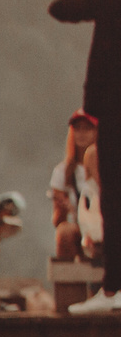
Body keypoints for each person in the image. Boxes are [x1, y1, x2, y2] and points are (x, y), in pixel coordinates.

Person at [51, 0, 121, 312]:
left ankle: (113, 290)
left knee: (115, 199)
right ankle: (113, 289)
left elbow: (60, 9)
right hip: (111, 114)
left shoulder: (111, 2)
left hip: (113, 114)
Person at [49, 112, 103, 265]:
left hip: (106, 228)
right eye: (77, 128)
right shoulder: (63, 172)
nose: (81, 134)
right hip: (81, 230)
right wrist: (63, 208)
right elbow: (58, 221)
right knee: (64, 233)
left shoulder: (108, 168)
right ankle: (69, 285)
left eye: (87, 128)